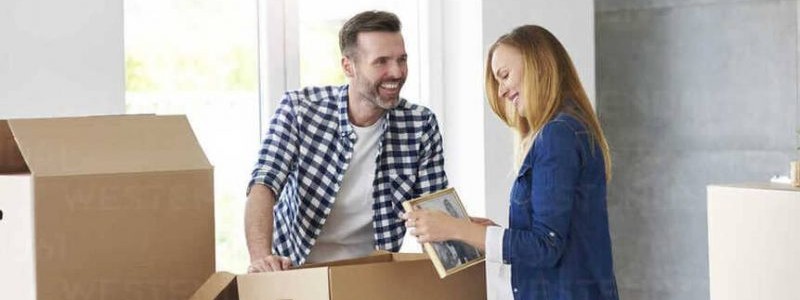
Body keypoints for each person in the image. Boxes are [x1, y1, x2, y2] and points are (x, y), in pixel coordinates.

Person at [403, 25, 619, 299]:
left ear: (537, 63)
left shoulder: (557, 135)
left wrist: (457, 229)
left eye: (504, 76)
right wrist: (486, 233)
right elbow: (556, 237)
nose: (502, 91)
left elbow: (545, 246)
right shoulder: (569, 128)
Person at [245, 10, 448, 272]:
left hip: (371, 271)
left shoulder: (420, 125)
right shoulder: (299, 110)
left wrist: (460, 247)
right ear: (348, 66)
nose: (396, 72)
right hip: (297, 268)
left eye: (402, 59)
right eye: (381, 61)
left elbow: (432, 213)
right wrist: (261, 259)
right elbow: (263, 185)